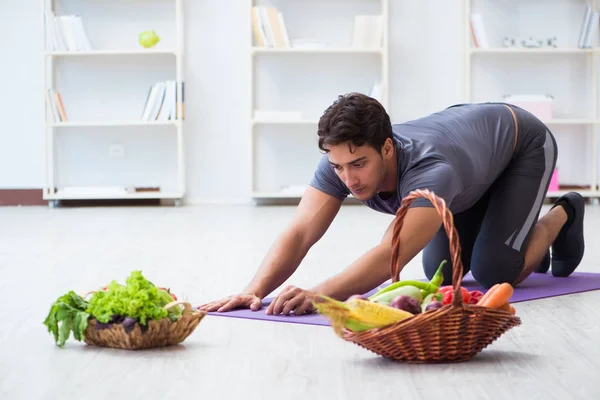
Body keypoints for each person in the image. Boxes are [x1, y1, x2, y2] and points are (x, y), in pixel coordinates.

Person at [199, 93, 585, 316]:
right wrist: (254, 289)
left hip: (521, 144)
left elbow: (391, 254)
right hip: (471, 165)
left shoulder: (431, 171)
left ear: (386, 147)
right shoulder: (343, 156)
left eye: (358, 165)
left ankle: (562, 214)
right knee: (441, 269)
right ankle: (508, 230)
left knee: (495, 271)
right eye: (338, 167)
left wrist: (319, 293)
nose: (348, 179)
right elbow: (301, 232)